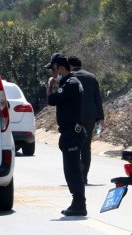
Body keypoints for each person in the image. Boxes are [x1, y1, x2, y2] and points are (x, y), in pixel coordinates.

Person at [45, 53, 87, 216]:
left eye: (53, 69)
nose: (52, 73)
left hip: (72, 133)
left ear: (60, 67)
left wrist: (49, 86)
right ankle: (77, 202)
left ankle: (79, 203)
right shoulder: (70, 82)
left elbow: (52, 100)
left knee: (73, 169)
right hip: (70, 132)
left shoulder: (70, 83)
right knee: (71, 169)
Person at [68, 56, 104, 185]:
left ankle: (75, 176)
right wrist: (101, 118)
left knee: (74, 147)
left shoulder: (69, 77)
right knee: (86, 147)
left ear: (70, 65)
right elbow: (97, 99)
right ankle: (84, 177)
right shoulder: (91, 77)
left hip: (74, 118)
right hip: (90, 117)